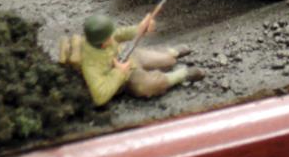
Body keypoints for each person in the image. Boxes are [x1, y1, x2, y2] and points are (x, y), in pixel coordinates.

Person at [68, 13, 203, 106]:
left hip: (129, 56)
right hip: (126, 77)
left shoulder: (104, 37)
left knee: (167, 60)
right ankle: (182, 75)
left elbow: (119, 34)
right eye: (108, 38)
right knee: (149, 84)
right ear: (101, 42)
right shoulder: (91, 64)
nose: (111, 38)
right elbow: (100, 96)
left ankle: (173, 53)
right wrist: (119, 72)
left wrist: (139, 29)